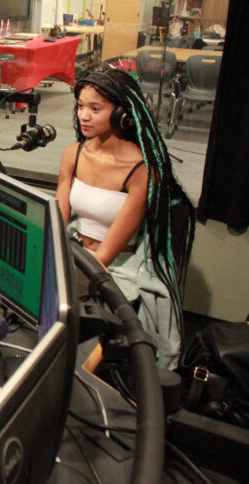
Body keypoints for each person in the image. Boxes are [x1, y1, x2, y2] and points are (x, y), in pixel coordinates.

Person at [55, 66, 195, 369]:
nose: (84, 116)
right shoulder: (73, 153)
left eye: (95, 108)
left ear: (122, 113)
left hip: (115, 269)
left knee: (76, 358)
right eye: (80, 106)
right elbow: (58, 221)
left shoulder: (143, 169)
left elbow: (104, 256)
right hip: (75, 251)